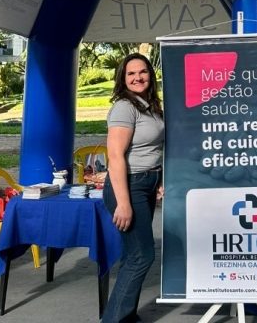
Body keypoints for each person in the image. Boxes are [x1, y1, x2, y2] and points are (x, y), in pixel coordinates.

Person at [102, 53, 164, 323]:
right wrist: (123, 202)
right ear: (123, 78)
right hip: (128, 186)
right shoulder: (124, 108)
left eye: (142, 72)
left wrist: (159, 179)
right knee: (142, 255)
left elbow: (154, 149)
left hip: (147, 183)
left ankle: (125, 316)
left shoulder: (149, 106)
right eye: (131, 73)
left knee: (132, 255)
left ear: (150, 74)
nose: (138, 77)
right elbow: (115, 156)